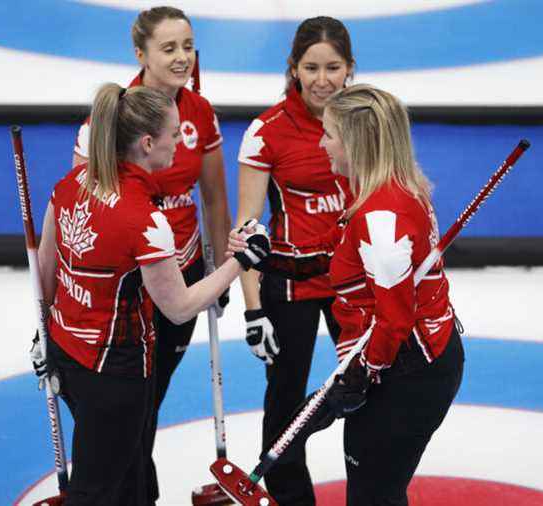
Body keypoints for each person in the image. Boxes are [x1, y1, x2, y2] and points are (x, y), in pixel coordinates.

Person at [34, 83, 269, 505]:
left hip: (68, 355)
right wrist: (241, 261)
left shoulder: (69, 184)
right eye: (175, 135)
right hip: (117, 370)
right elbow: (178, 308)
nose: (180, 144)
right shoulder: (145, 220)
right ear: (147, 143)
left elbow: (46, 277)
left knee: (125, 474)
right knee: (98, 489)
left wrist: (43, 336)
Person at [232, 84, 465, 505]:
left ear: (356, 141)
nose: (322, 144)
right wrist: (272, 262)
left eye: (330, 134)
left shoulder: (382, 217)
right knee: (378, 492)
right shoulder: (380, 190)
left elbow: (394, 319)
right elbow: (338, 259)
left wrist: (357, 377)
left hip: (410, 371)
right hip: (407, 363)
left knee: (372, 495)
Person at [70, 6, 231, 501]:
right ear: (139, 54)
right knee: (126, 407)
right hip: (123, 289)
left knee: (148, 402)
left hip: (180, 274)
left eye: (187, 46)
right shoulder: (114, 113)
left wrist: (220, 270)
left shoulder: (199, 112)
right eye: (169, 48)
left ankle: (137, 490)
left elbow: (215, 198)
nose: (182, 57)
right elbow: (80, 205)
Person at [235, 16, 354, 505]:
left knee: (370, 390)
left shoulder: (364, 121)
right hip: (290, 285)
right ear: (294, 69)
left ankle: (370, 489)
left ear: (350, 69)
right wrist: (252, 309)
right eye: (312, 67)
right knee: (286, 399)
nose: (323, 79)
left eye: (333, 67)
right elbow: (246, 228)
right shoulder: (266, 132)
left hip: (352, 281)